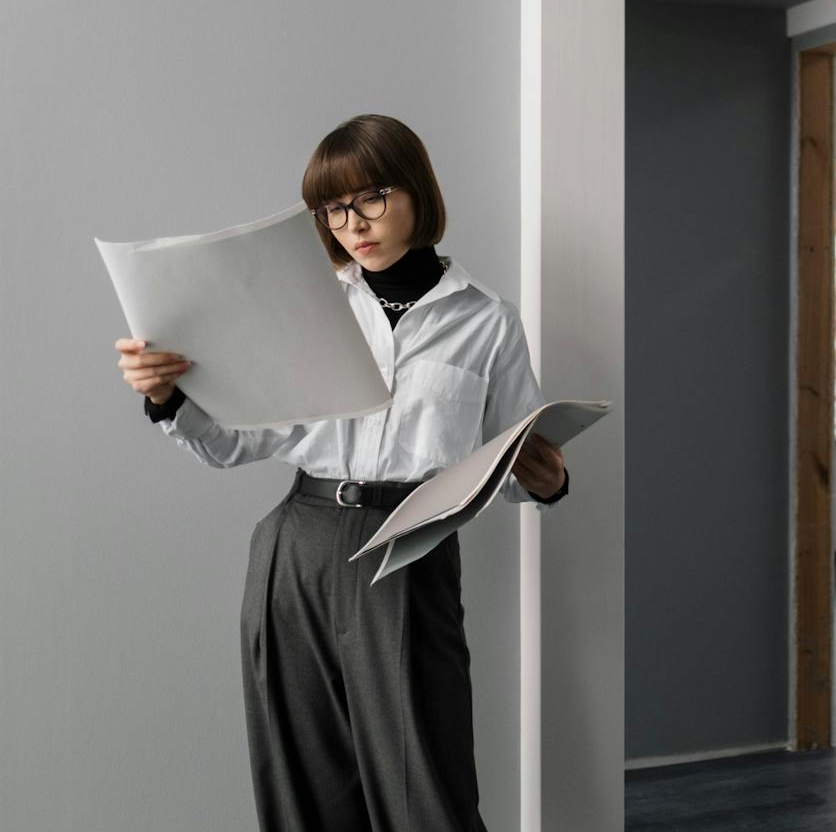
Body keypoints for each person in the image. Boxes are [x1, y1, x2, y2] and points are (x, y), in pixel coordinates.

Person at [112, 113, 568, 831]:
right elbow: (233, 443)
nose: (352, 222)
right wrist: (167, 398)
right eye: (333, 206)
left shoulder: (487, 320)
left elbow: (512, 459)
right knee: (305, 789)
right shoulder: (309, 304)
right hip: (297, 546)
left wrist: (545, 481)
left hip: (410, 549)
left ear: (417, 190)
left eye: (371, 196)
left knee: (428, 792)